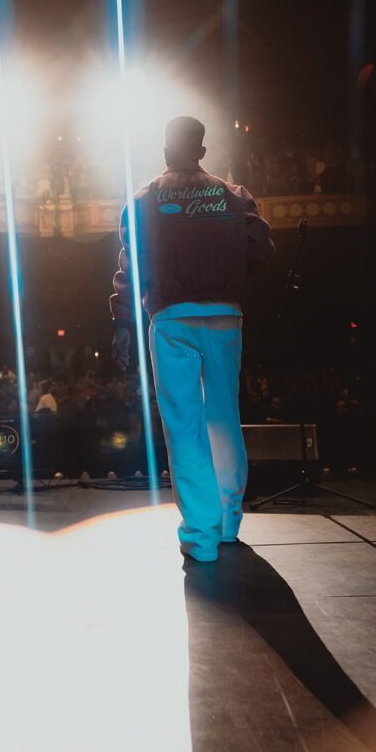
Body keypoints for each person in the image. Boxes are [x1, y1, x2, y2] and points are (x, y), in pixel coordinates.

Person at [110, 116, 273, 562]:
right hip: (225, 315)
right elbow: (262, 248)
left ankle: (201, 536)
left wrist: (122, 322)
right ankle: (229, 523)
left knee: (184, 426)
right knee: (223, 418)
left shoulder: (143, 199)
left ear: (165, 150)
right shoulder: (233, 194)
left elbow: (130, 267)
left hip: (172, 318)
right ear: (202, 152)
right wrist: (233, 276)